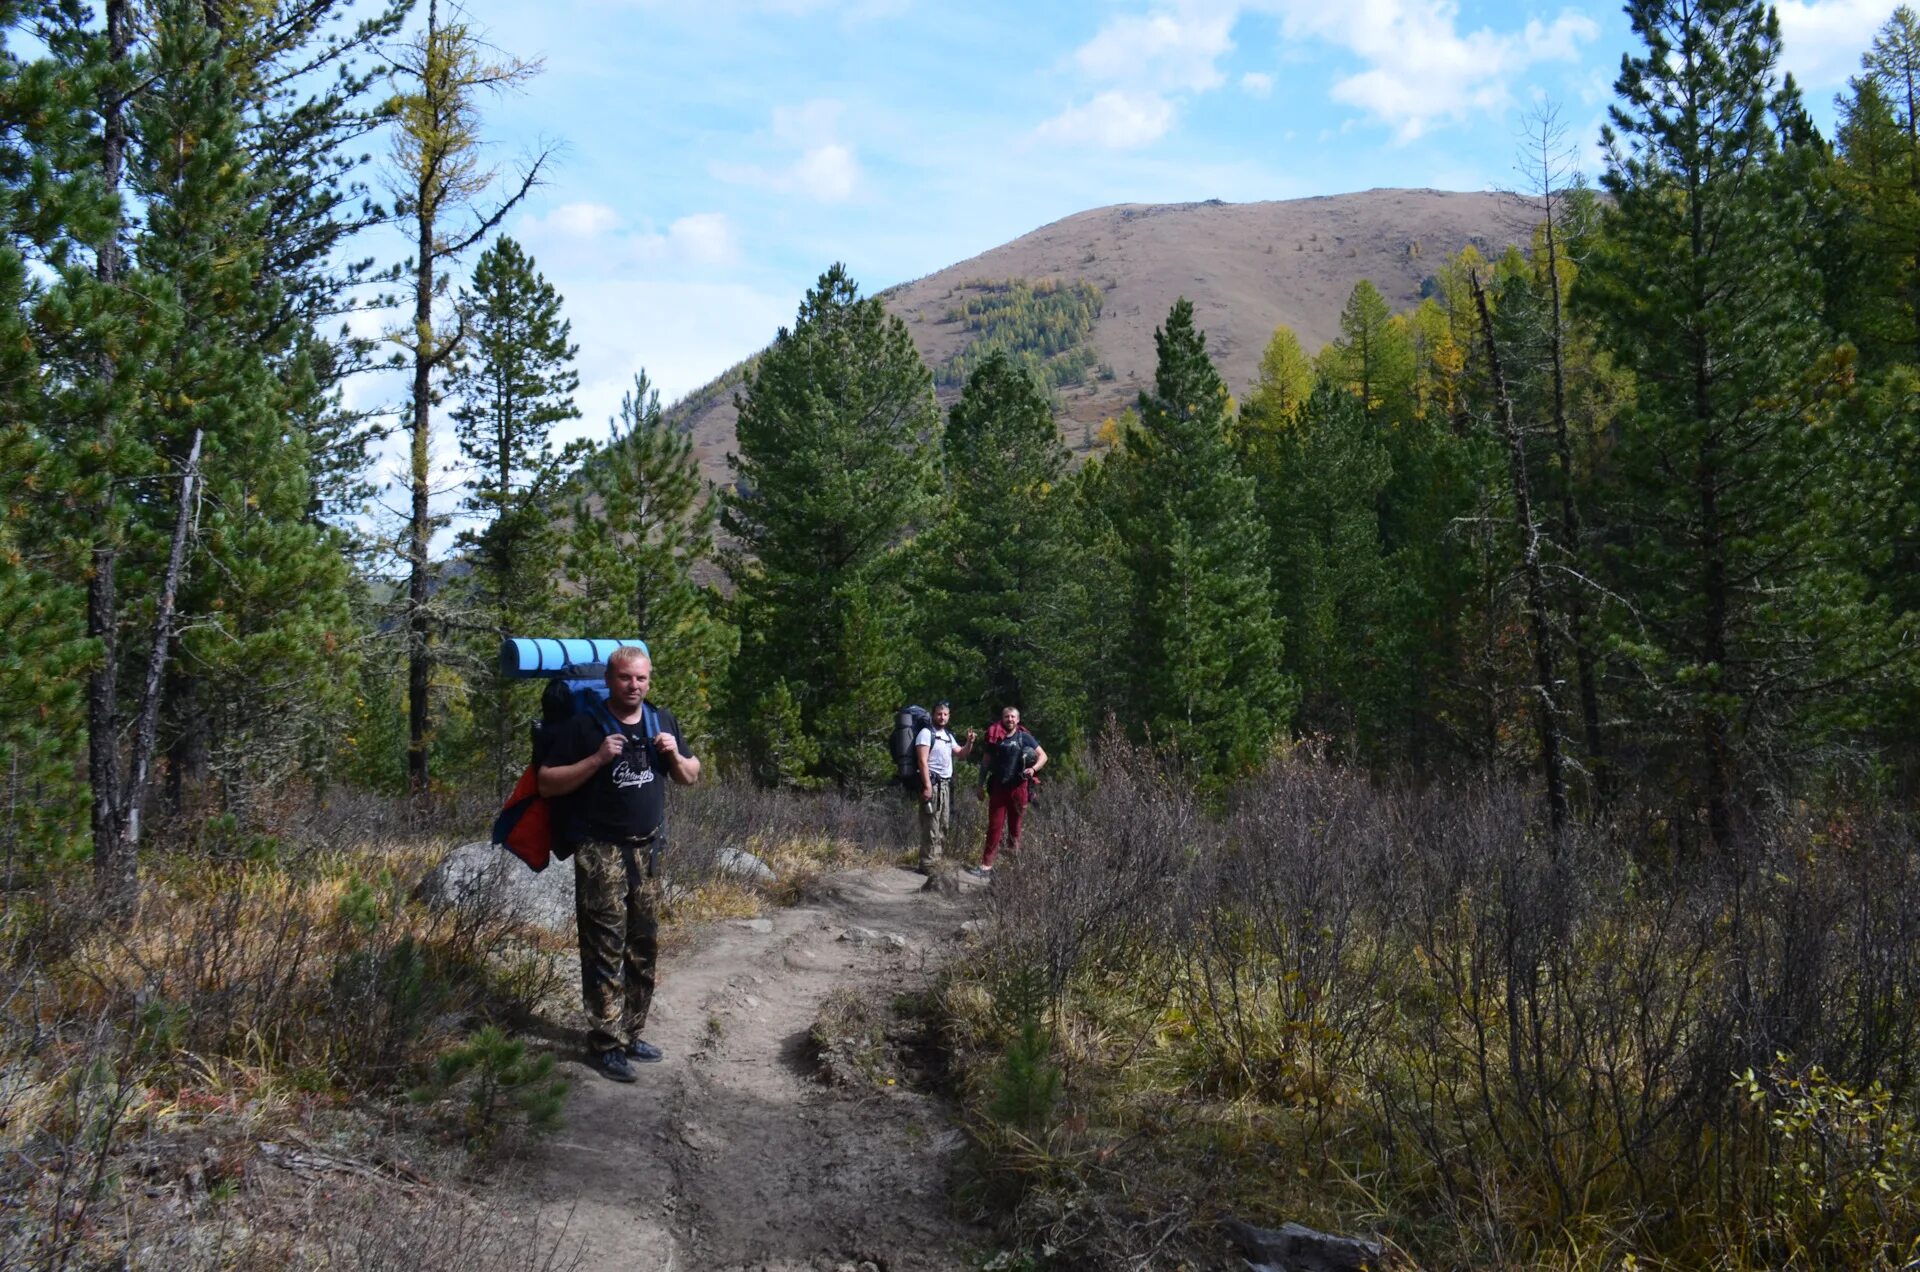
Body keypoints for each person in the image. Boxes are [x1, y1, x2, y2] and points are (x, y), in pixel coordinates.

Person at [537, 647, 700, 1083]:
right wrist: (596, 759)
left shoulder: (661, 720)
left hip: (647, 851)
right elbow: (547, 782)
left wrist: (675, 757)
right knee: (604, 946)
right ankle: (604, 1042)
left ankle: (631, 1032)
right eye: (626, 678)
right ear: (610, 680)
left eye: (642, 679)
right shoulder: (585, 725)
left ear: (650, 681)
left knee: (643, 945)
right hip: (601, 849)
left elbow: (690, 775)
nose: (635, 686)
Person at [969, 706, 1045, 878]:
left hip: (1019, 789)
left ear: (1017, 720)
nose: (1009, 719)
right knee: (994, 827)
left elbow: (1043, 756)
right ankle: (986, 866)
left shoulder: (1025, 737)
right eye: (1006, 717)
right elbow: (985, 763)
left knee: (1015, 829)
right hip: (998, 788)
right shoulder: (995, 738)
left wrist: (1033, 769)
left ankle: (1012, 868)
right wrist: (979, 785)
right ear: (1002, 719)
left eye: (1012, 717)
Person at [914, 701, 975, 872]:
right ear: (933, 715)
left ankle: (937, 860)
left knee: (943, 824)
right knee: (931, 824)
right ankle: (927, 863)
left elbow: (961, 754)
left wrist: (969, 742)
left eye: (945, 714)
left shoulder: (948, 735)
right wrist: (926, 785)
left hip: (946, 786)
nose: (942, 717)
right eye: (939, 714)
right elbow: (922, 761)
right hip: (932, 784)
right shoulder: (926, 734)